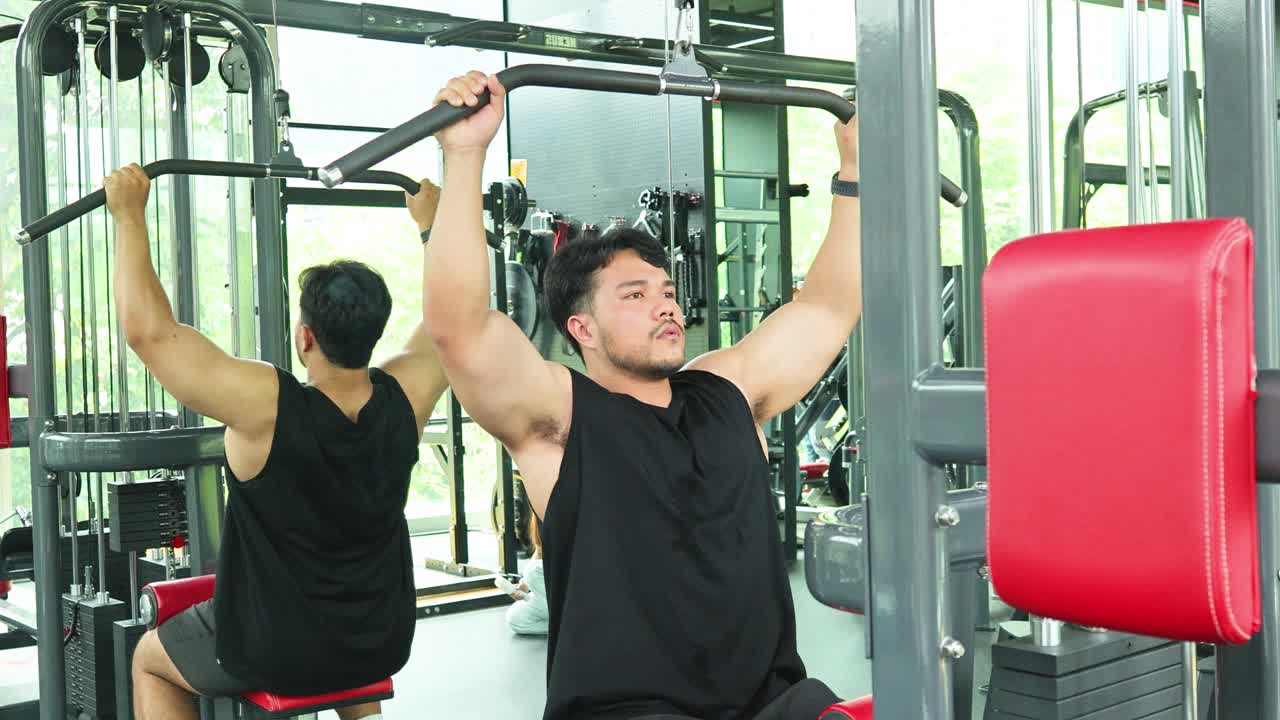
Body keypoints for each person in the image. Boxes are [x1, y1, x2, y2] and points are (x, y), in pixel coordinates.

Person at [424, 71, 863, 720]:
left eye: (667, 292)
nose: (666, 307)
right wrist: (464, 156)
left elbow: (828, 307)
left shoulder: (727, 391)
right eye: (635, 295)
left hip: (770, 704)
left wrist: (855, 172)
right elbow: (460, 329)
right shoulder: (562, 420)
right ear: (581, 328)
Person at [110, 165, 449, 720]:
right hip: (379, 639)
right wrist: (433, 229)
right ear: (375, 331)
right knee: (343, 652)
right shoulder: (408, 393)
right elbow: (452, 316)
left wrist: (128, 215)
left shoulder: (266, 406)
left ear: (305, 336)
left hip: (275, 650)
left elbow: (149, 334)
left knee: (149, 657)